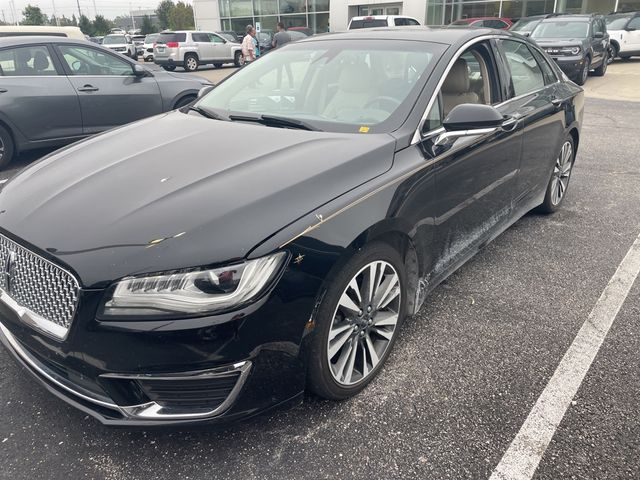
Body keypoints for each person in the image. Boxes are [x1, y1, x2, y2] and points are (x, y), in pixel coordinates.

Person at [272, 22, 294, 89]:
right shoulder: (288, 35)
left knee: (279, 71)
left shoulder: (276, 35)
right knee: (288, 70)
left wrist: (273, 42)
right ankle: (291, 85)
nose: (276, 27)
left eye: (277, 26)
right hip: (287, 55)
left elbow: (273, 44)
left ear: (279, 27)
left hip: (279, 55)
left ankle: (278, 87)